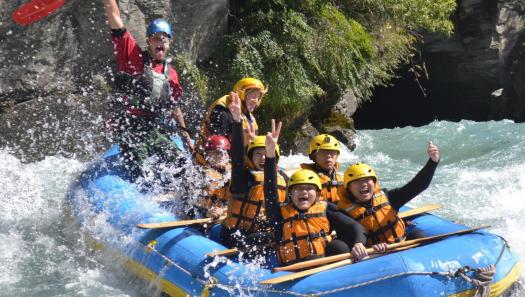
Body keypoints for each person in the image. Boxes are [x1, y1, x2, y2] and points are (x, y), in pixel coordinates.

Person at [101, 0, 193, 179]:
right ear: (149, 40)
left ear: (169, 44)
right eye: (157, 38)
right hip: (130, 126)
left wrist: (185, 136)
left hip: (154, 127)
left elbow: (175, 107)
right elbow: (115, 19)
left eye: (165, 39)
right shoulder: (133, 57)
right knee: (142, 168)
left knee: (180, 164)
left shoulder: (171, 74)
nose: (161, 42)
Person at [263, 122, 366, 265]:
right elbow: (270, 190)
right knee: (316, 257)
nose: (303, 192)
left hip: (321, 264)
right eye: (298, 189)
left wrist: (359, 243)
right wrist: (269, 155)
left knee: (339, 247)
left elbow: (354, 226)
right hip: (294, 268)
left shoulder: (324, 208)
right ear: (290, 194)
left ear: (317, 195)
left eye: (308, 188)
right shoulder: (278, 213)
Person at [340, 142, 440, 258]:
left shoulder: (389, 197)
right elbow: (351, 240)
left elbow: (417, 185)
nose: (363, 185)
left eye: (367, 180)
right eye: (357, 182)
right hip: (374, 256)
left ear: (374, 183)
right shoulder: (344, 213)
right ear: (349, 188)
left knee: (419, 236)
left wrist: (433, 162)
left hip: (402, 245)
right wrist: (368, 249)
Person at [219, 95, 287, 250]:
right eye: (258, 154)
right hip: (235, 235)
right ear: (250, 157)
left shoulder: (283, 179)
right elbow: (237, 159)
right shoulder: (243, 177)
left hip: (258, 234)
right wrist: (237, 121)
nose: (263, 158)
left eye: (267, 154)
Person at [195, 77, 266, 157]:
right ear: (242, 94)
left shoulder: (251, 120)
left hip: (234, 160)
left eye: (259, 98)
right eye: (254, 96)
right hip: (209, 157)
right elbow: (217, 145)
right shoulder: (223, 110)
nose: (256, 101)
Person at [192, 135, 232, 220]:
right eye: (216, 152)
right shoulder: (198, 174)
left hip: (221, 216)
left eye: (223, 152)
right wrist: (206, 212)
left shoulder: (231, 173)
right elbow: (188, 205)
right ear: (206, 155)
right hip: (202, 216)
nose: (221, 156)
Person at [300, 134, 344, 203]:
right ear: (313, 156)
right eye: (323, 152)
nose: (328, 156)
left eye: (332, 152)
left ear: (337, 155)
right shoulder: (302, 179)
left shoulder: (344, 177)